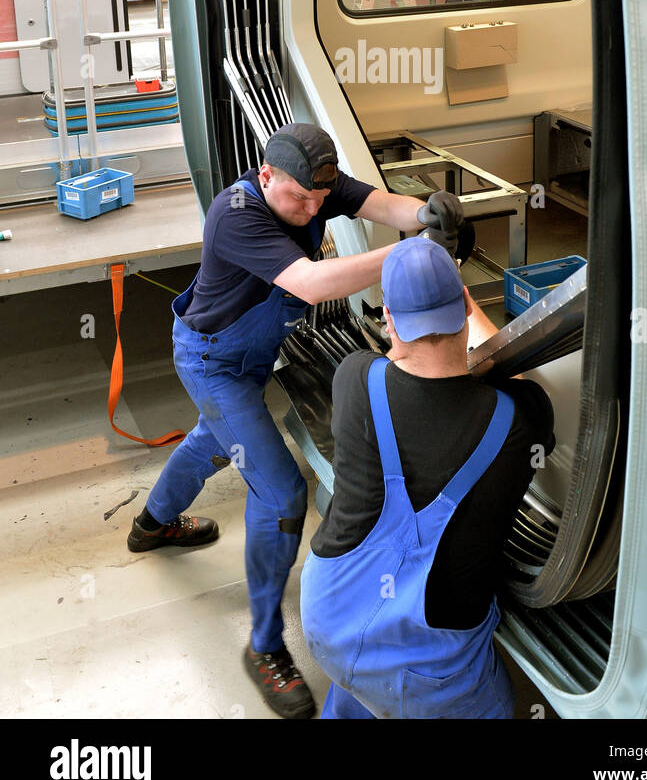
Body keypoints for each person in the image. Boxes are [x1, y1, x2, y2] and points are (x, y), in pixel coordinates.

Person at [127, 122, 462, 719]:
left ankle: (151, 524)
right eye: (298, 198)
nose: (312, 208)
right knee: (280, 492)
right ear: (265, 177)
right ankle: (263, 647)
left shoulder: (318, 183)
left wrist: (427, 212)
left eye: (318, 197)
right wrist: (411, 253)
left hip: (250, 357)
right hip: (212, 363)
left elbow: (381, 203)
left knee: (213, 442)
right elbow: (308, 284)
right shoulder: (235, 214)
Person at [300, 236, 555, 720]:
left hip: (329, 618)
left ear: (389, 318)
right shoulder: (521, 421)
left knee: (359, 680)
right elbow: (515, 378)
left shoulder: (356, 379)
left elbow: (400, 369)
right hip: (428, 666)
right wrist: (465, 307)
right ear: (462, 305)